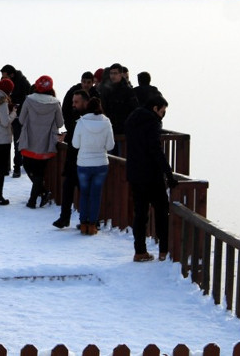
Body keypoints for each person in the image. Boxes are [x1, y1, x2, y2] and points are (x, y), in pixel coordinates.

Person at [124, 95, 178, 262]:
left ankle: (140, 251)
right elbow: (155, 149)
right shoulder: (152, 122)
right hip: (151, 175)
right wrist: (168, 173)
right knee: (162, 211)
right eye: (163, 111)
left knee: (140, 213)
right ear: (155, 108)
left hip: (135, 173)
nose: (163, 115)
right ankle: (164, 251)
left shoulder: (132, 119)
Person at [17, 75, 64, 209]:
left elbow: (21, 120)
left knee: (28, 166)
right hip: (46, 141)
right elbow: (60, 123)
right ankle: (37, 197)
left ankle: (38, 196)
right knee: (39, 171)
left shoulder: (29, 100)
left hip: (29, 140)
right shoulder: (55, 103)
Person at [71, 96, 115, 235]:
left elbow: (75, 144)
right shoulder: (106, 122)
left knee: (84, 194)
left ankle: (83, 224)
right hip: (101, 163)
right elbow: (110, 145)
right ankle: (92, 225)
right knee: (96, 194)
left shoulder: (81, 122)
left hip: (84, 163)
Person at [53, 86, 92, 228]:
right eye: (73, 102)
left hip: (84, 159)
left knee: (83, 191)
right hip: (73, 158)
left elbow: (81, 136)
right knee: (68, 188)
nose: (73, 105)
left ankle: (87, 220)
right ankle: (65, 218)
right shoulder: (75, 115)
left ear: (85, 102)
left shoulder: (89, 118)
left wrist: (67, 136)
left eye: (76, 102)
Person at [0, 64, 32, 177]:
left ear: (12, 75)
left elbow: (29, 98)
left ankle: (17, 167)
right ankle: (5, 167)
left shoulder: (23, 82)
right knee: (4, 142)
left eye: (5, 77)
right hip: (6, 116)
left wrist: (17, 106)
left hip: (19, 117)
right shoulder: (4, 82)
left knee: (17, 143)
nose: (3, 79)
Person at [100, 63, 139, 155]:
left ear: (121, 74)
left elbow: (134, 109)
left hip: (123, 131)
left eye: (115, 73)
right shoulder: (106, 91)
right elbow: (103, 108)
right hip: (110, 129)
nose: (113, 76)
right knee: (110, 157)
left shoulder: (128, 91)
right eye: (111, 73)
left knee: (122, 156)